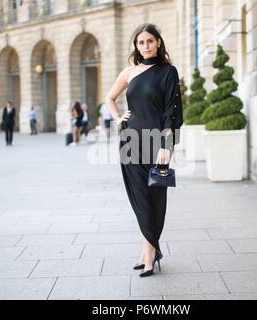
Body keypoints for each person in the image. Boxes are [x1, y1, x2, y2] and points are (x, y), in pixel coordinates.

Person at [106, 23, 183, 277]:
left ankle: (150, 252)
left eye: (150, 41)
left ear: (158, 42)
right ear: (136, 46)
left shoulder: (168, 72)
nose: (146, 46)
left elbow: (170, 112)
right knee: (139, 199)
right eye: (141, 42)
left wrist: (166, 146)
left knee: (155, 199)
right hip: (130, 142)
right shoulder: (129, 72)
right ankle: (148, 252)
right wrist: (118, 118)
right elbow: (110, 98)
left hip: (156, 143)